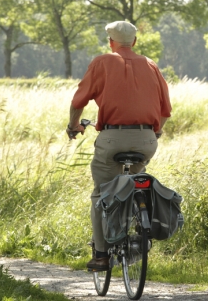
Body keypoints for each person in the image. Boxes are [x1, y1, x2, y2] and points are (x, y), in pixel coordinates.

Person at [66, 21, 172, 271]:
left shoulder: (102, 62)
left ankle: (102, 255)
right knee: (135, 181)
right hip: (146, 140)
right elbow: (165, 110)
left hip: (113, 139)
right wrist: (154, 132)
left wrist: (74, 125)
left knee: (101, 193)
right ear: (134, 41)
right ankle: (138, 227)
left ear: (110, 42)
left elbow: (79, 100)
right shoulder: (151, 65)